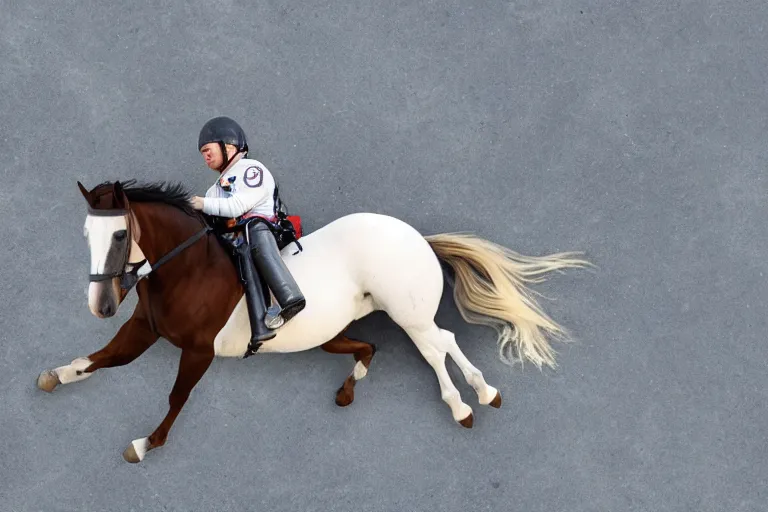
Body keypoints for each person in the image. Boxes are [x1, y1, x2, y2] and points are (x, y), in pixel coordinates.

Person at [189, 116, 305, 345]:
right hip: (238, 241)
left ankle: (289, 297)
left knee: (252, 228)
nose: (205, 156)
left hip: (265, 230)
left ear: (229, 146)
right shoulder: (213, 190)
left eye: (207, 149)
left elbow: (239, 206)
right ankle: (260, 325)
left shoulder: (251, 170)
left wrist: (200, 203)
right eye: (202, 153)